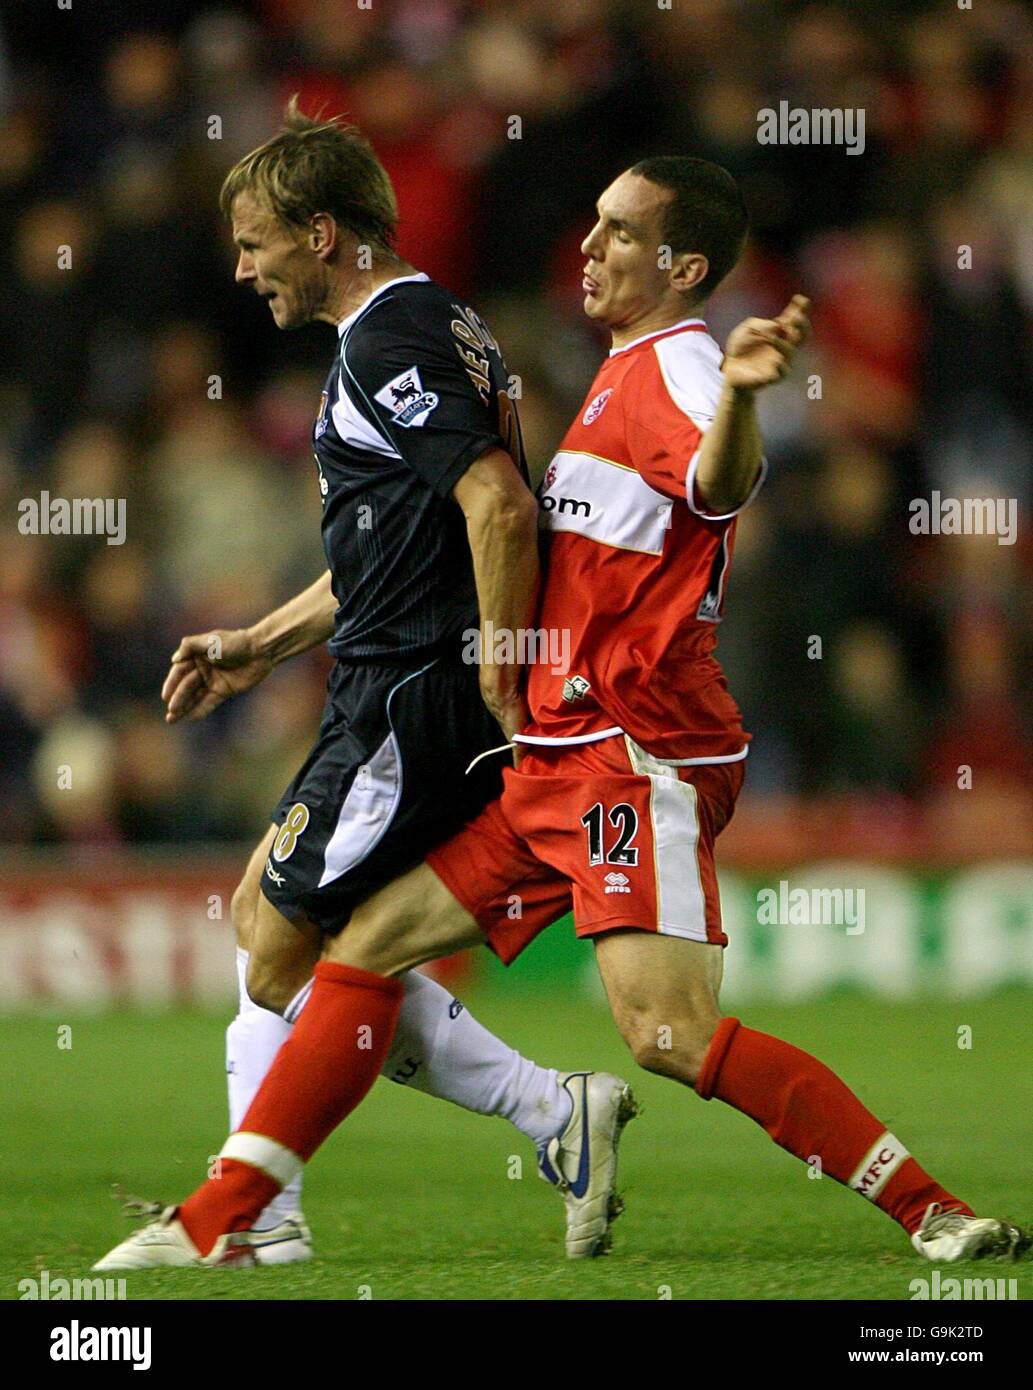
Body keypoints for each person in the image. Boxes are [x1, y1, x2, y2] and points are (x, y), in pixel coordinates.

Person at [97, 157, 1026, 1271]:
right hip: (554, 754)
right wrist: (271, 640)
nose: (586, 246)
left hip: (633, 756)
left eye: (619, 231)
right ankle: (223, 1221)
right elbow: (459, 537)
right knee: (364, 948)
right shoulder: (613, 368)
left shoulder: (683, 368)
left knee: (668, 1034)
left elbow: (719, 486)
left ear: (680, 266)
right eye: (590, 221)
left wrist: (738, 393)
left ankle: (933, 1210)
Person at [117, 100, 636, 1267]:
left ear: (319, 231)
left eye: (254, 243)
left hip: (415, 699)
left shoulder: (391, 338)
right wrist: (261, 639)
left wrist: (504, 667)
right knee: (297, 923)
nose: (242, 271)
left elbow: (496, 505)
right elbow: (400, 542)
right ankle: (549, 1114)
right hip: (391, 681)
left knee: (276, 939)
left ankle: (261, 1215)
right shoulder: (433, 323)